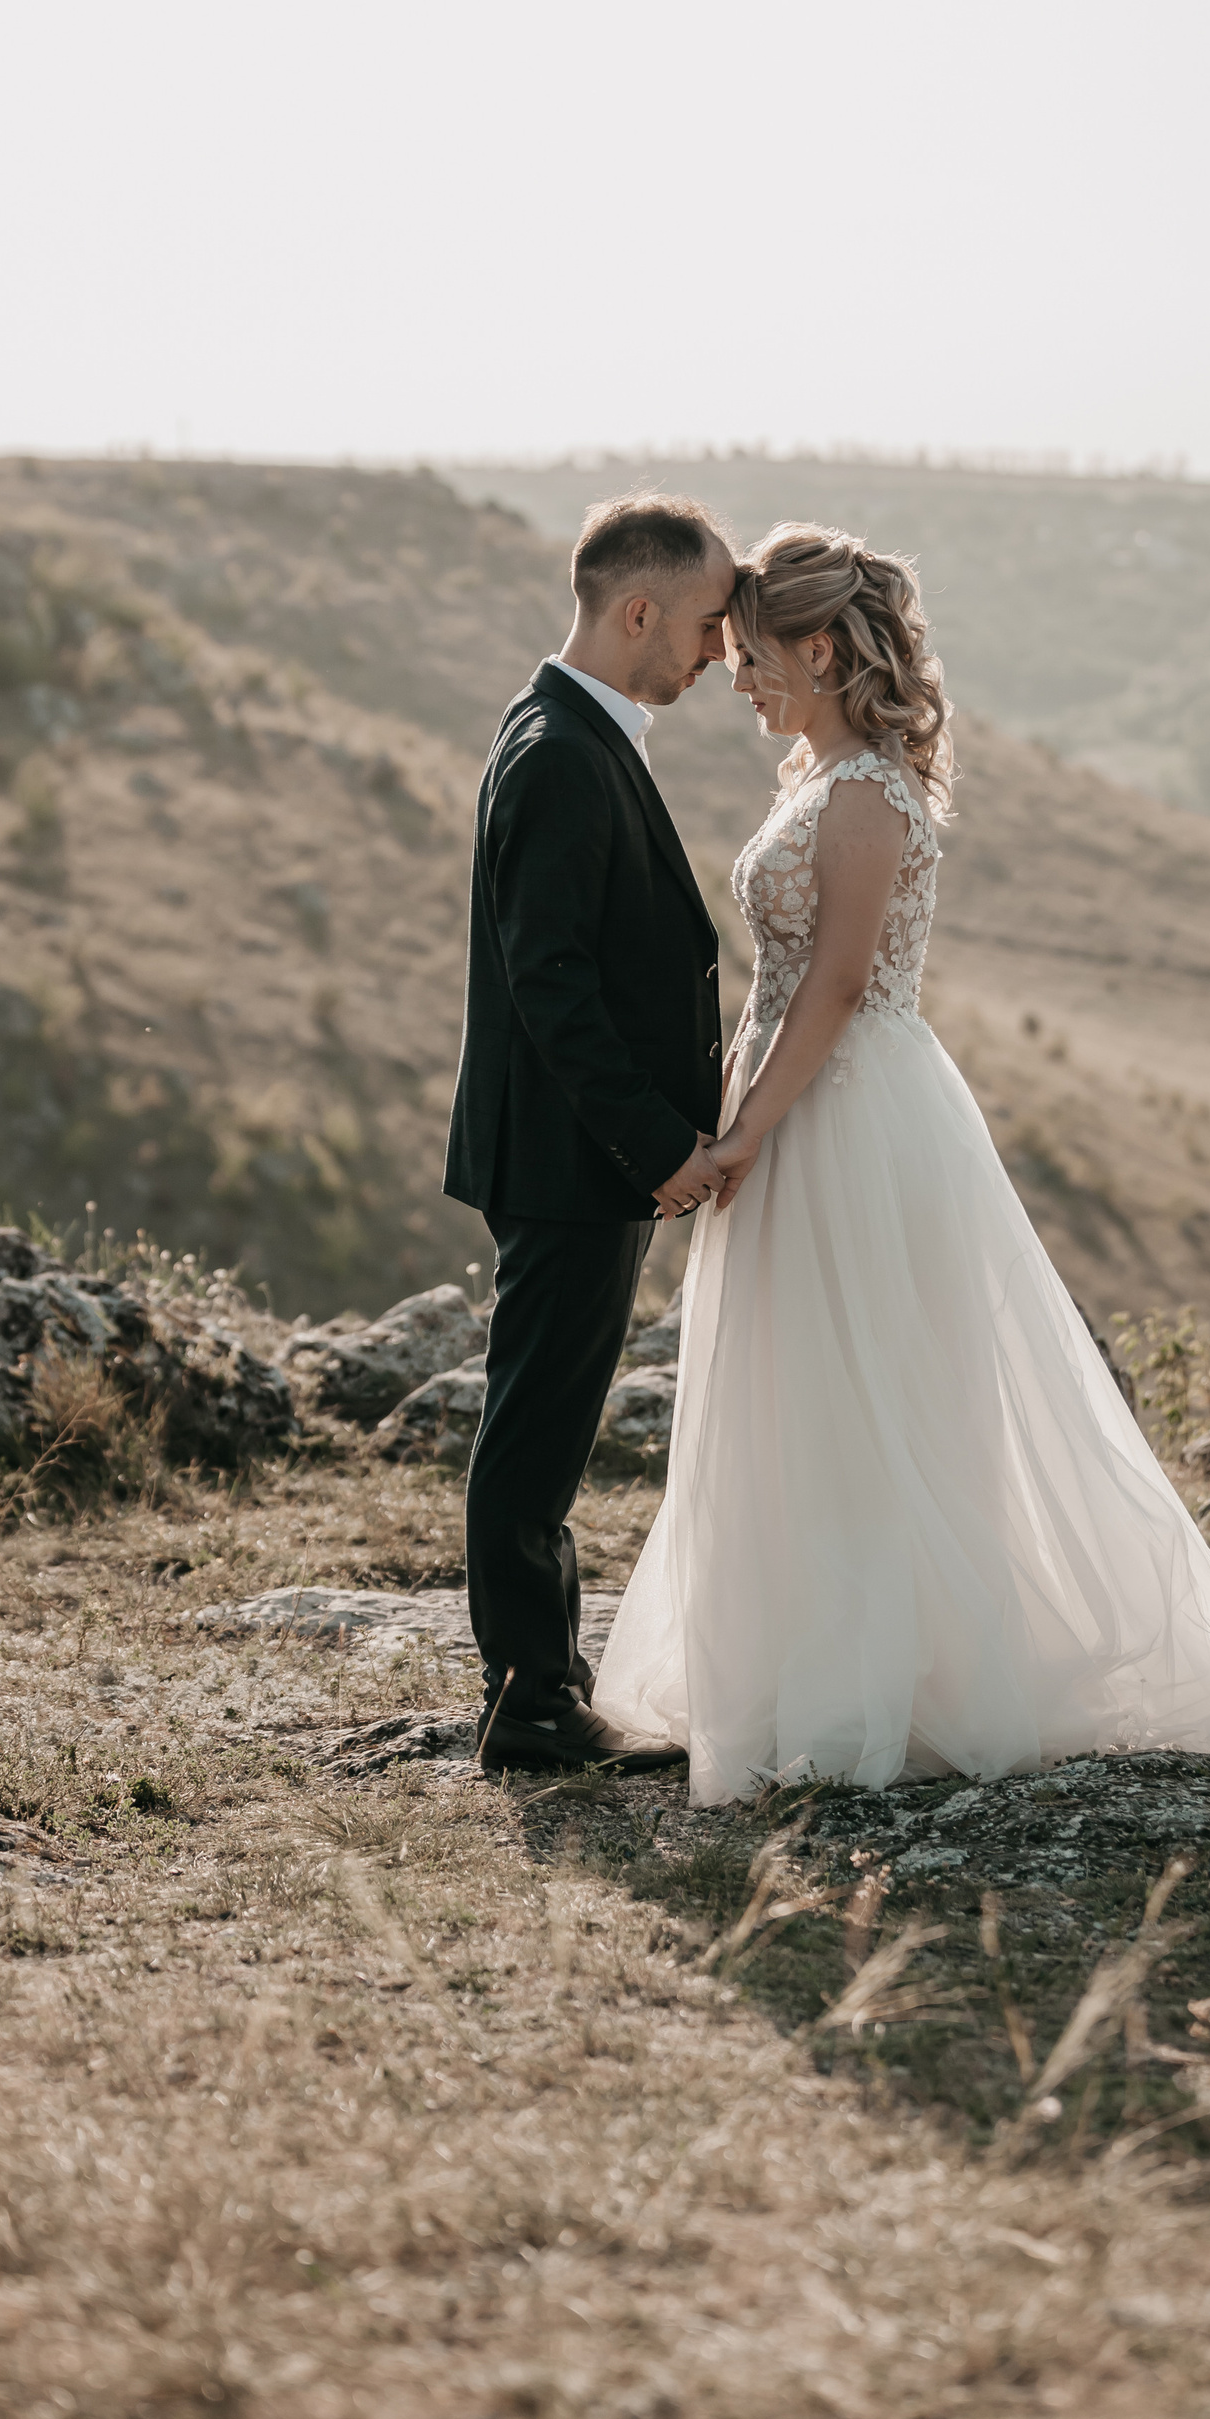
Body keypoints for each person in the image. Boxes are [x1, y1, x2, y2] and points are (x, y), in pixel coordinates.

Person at [593, 523, 1210, 1801]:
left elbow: (836, 986)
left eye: (757, 655)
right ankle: (796, 1665)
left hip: (844, 1116)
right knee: (798, 1388)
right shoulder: (820, 777)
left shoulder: (868, 796)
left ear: (823, 652)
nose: (737, 677)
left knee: (865, 1388)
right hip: (794, 1096)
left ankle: (888, 1679)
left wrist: (747, 1132)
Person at [444, 490, 735, 1774]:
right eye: (709, 622)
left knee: (550, 1419)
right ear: (640, 611)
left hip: (577, 1154)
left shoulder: (574, 729)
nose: (720, 650)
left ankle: (548, 1683)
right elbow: (551, 985)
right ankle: (531, 1705)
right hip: (572, 1159)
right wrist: (658, 1147)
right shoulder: (559, 751)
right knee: (537, 1426)